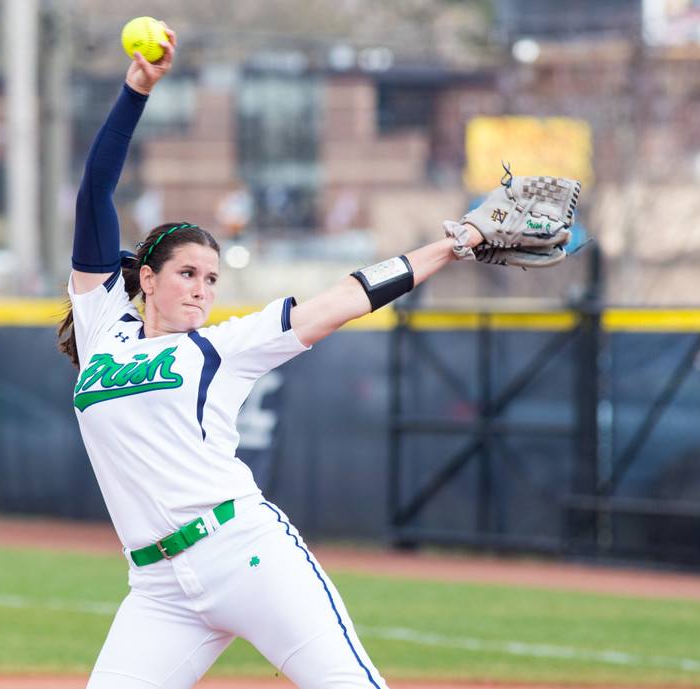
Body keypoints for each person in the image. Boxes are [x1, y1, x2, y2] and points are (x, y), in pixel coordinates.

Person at [57, 24, 486, 689]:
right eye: (187, 273)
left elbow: (343, 298)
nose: (201, 288)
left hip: (245, 554)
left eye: (211, 278)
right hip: (159, 589)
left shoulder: (220, 347)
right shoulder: (100, 327)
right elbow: (94, 195)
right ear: (146, 278)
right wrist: (136, 90)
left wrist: (455, 244)